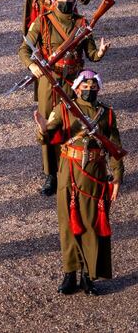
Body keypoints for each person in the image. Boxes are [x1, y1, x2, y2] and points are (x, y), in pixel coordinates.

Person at [35, 70, 124, 295]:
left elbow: (115, 149)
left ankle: (88, 276)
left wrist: (117, 178)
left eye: (93, 85)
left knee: (93, 224)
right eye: (85, 85)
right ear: (76, 88)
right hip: (69, 172)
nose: (89, 89)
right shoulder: (63, 108)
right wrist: (42, 129)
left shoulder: (107, 114)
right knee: (68, 224)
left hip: (95, 172)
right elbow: (49, 136)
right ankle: (69, 274)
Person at [19, 0, 109, 196]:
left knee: (76, 123)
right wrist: (32, 66)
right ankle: (50, 173)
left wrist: (100, 53)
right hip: (50, 81)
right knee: (48, 124)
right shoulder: (42, 22)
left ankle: (72, 168)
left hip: (75, 82)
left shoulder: (82, 23)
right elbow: (24, 49)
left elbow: (91, 54)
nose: (66, 1)